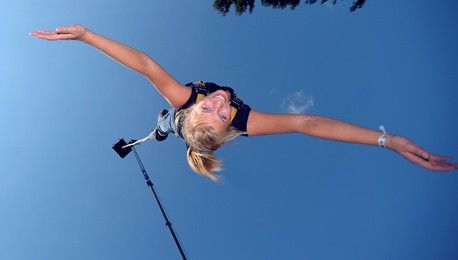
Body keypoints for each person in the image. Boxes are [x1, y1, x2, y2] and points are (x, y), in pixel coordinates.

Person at [31, 24, 458, 181]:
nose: (220, 102)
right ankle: (167, 129)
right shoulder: (243, 121)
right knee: (172, 128)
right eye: (221, 112)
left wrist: (87, 37)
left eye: (211, 108)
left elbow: (144, 64)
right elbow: (306, 124)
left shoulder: (187, 98)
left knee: (171, 120)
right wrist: (387, 140)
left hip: (178, 119)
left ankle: (168, 125)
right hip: (182, 125)